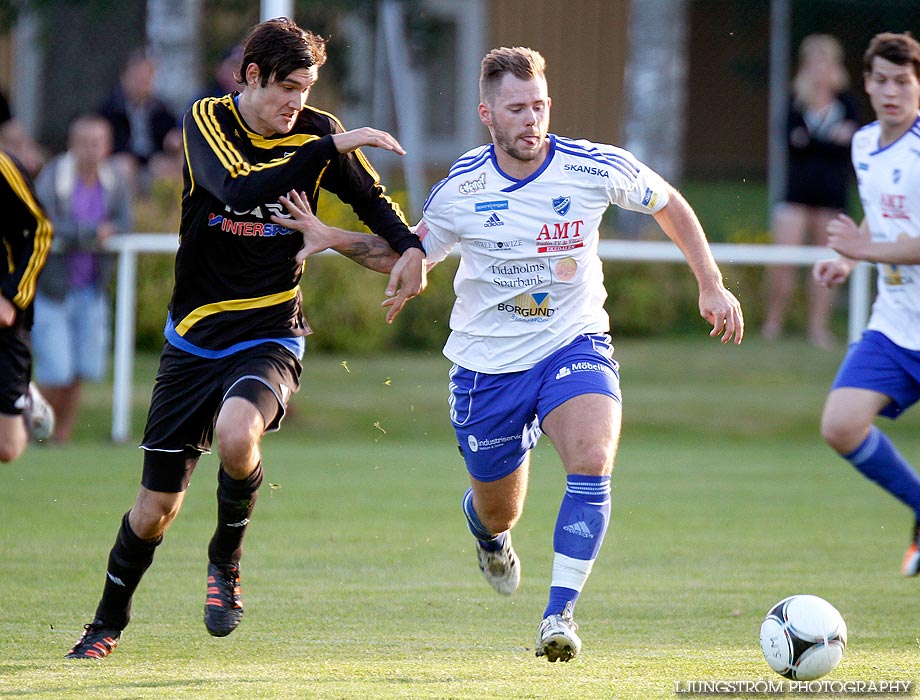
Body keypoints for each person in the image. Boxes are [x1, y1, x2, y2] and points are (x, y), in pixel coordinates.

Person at [277, 46, 744, 662]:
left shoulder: (593, 167)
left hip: (573, 343)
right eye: (517, 109)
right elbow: (406, 253)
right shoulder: (461, 189)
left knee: (592, 457)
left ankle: (560, 614)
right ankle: (487, 533)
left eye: (540, 106)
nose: (532, 120)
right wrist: (332, 237)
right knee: (501, 510)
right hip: (486, 366)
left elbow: (669, 203)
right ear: (487, 115)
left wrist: (710, 282)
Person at [65, 18, 426, 660]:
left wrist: (412, 250)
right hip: (194, 340)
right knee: (152, 513)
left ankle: (225, 559)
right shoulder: (208, 119)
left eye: (307, 88)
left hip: (270, 333)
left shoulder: (317, 132)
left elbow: (373, 202)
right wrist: (329, 146)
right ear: (249, 76)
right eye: (287, 87)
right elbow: (237, 189)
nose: (298, 102)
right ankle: (105, 626)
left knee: (238, 434)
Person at [813, 32, 920, 577]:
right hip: (897, 322)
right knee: (841, 425)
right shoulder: (864, 143)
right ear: (868, 83)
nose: (891, 91)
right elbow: (884, 220)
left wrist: (863, 249)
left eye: (903, 81)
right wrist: (851, 261)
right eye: (880, 80)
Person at [31, 114, 132, 442]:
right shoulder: (52, 177)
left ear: (107, 146)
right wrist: (89, 233)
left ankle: (60, 437)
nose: (91, 150)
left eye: (98, 143)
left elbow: (124, 222)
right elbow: (44, 223)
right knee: (56, 371)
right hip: (52, 289)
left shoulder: (114, 179)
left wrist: (109, 231)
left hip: (92, 289)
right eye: (85, 143)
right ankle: (26, 430)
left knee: (79, 371)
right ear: (72, 145)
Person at [763, 34, 860, 349]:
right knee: (784, 258)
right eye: (814, 62)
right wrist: (830, 141)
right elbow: (792, 144)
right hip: (797, 192)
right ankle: (773, 323)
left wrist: (816, 143)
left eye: (826, 62)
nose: (820, 70)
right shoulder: (795, 102)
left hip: (832, 194)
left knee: (825, 260)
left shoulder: (847, 104)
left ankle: (818, 328)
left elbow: (849, 147)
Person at [0, 148, 55, 462]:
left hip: (6, 314)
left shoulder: (4, 167)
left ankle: (25, 399)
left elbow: (42, 230)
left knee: (7, 450)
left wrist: (12, 296)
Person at [98, 48, 178, 193]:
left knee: (174, 166)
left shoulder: (160, 108)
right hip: (123, 158)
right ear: (125, 76)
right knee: (123, 167)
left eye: (147, 76)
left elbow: (172, 134)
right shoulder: (110, 107)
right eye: (137, 76)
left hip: (153, 159)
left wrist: (174, 139)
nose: (143, 81)